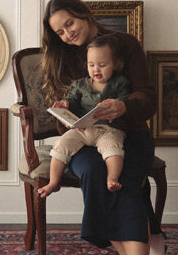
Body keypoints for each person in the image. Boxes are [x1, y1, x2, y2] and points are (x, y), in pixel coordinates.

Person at [41, 0, 168, 255]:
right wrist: (64, 113)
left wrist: (123, 106)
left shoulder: (124, 44)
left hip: (129, 135)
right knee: (97, 176)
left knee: (122, 180)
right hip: (83, 141)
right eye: (60, 32)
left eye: (69, 23)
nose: (67, 34)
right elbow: (61, 120)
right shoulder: (62, 59)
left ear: (84, 14)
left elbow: (149, 98)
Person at [38, 35, 130, 198]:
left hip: (108, 129)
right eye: (91, 65)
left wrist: (117, 104)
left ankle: (112, 179)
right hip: (82, 128)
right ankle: (53, 182)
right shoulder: (79, 85)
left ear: (115, 64)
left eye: (102, 65)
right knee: (61, 144)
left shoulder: (120, 82)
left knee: (113, 148)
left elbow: (125, 101)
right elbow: (71, 100)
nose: (96, 69)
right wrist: (65, 104)